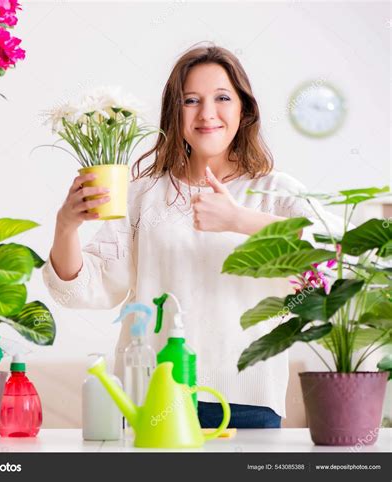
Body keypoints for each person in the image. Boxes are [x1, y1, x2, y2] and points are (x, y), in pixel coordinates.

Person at [43, 44, 341, 429]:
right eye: (191, 100)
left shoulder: (275, 192)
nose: (207, 114)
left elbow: (335, 253)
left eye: (222, 98)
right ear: (174, 112)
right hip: (151, 394)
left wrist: (240, 219)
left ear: (244, 110)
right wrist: (66, 225)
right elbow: (89, 286)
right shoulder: (140, 194)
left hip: (246, 401)